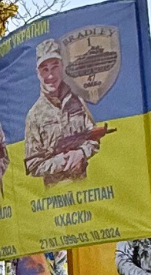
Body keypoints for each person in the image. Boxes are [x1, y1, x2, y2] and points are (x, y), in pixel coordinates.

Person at [22, 39, 107, 186]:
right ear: (38, 73)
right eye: (45, 70)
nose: (50, 76)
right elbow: (32, 165)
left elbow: (93, 136)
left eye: (55, 67)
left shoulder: (78, 101)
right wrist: (61, 162)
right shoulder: (34, 115)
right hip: (54, 199)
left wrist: (81, 152)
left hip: (85, 190)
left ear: (62, 67)